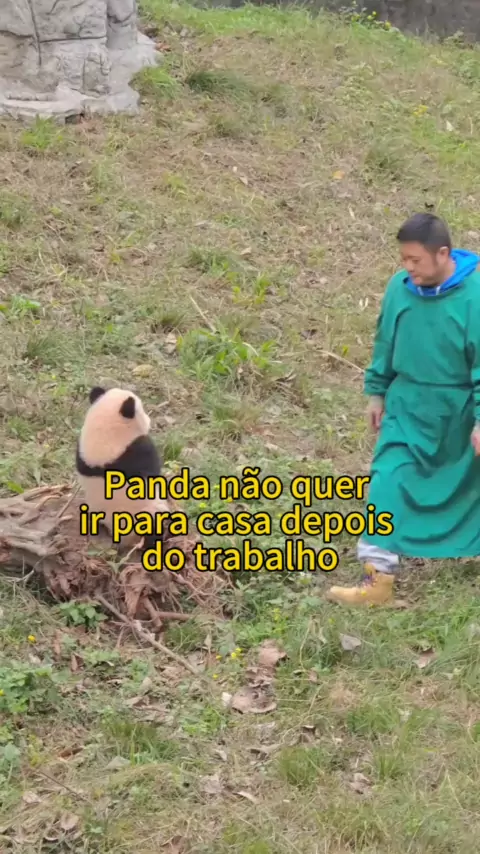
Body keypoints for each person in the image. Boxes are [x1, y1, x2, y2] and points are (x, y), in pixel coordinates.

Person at [326, 212, 480, 607]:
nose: (408, 267)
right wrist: (376, 392)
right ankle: (376, 581)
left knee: (469, 487)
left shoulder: (475, 296)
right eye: (404, 259)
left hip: (458, 411)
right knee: (387, 478)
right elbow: (385, 341)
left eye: (416, 260)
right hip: (407, 406)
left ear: (442, 253)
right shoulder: (400, 288)